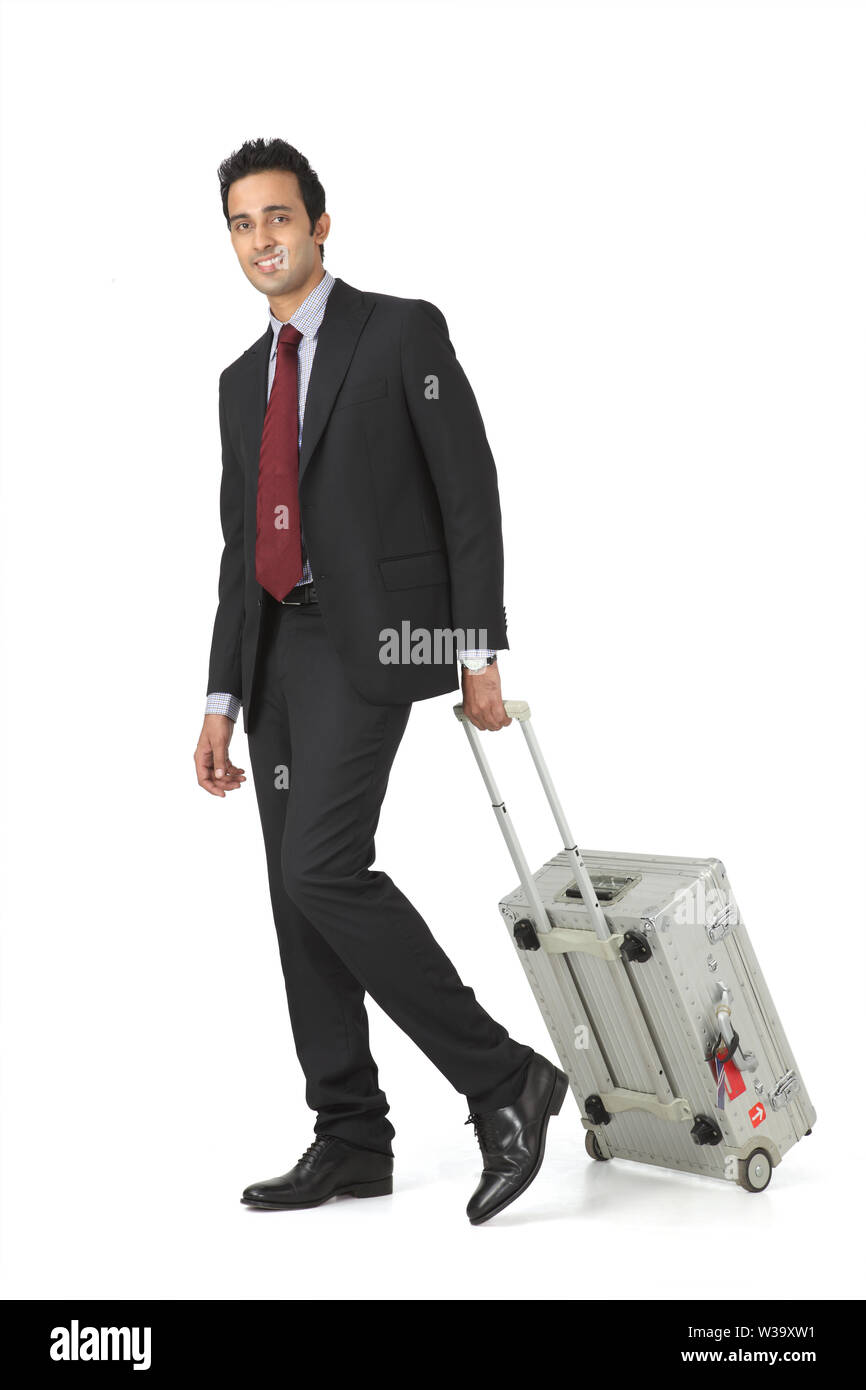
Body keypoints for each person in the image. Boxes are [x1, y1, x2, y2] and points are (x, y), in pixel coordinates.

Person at [194, 138, 568, 1225]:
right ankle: (350, 1136)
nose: (262, 238)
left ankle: (501, 1078)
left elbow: (468, 486)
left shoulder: (398, 330)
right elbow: (234, 550)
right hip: (273, 657)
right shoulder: (237, 382)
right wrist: (219, 698)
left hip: (379, 642)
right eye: (241, 222)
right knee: (294, 894)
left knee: (322, 865)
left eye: (278, 217)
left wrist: (477, 647)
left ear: (320, 222)